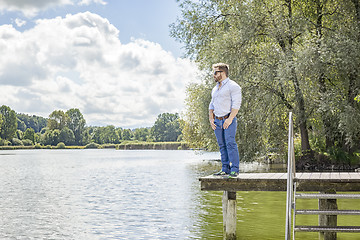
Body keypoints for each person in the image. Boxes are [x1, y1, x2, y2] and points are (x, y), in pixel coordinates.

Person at [209, 63, 242, 178]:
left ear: (222, 73)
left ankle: (234, 170)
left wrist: (230, 119)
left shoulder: (233, 86)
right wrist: (211, 118)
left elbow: (236, 104)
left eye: (215, 72)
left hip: (228, 119)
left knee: (230, 143)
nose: (213, 75)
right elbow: (211, 104)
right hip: (217, 121)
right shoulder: (215, 89)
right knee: (222, 145)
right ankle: (225, 169)